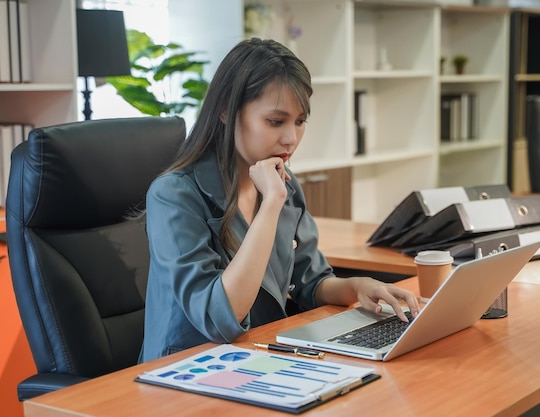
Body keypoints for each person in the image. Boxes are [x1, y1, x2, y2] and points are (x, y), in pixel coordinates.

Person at [140, 38, 419, 362]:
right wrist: (271, 204)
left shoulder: (281, 184)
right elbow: (219, 320)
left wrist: (356, 287)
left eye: (300, 122)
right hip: (186, 374)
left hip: (261, 356)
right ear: (227, 112)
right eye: (275, 121)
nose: (291, 139)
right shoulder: (175, 195)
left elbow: (311, 282)